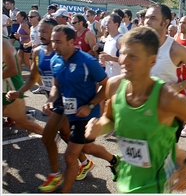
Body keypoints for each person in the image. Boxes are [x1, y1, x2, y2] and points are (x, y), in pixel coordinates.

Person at [84, 26, 186, 193]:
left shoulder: (167, 99)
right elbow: (111, 119)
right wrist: (98, 128)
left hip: (155, 186)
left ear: (152, 61)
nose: (123, 61)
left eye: (133, 57)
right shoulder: (114, 85)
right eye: (122, 53)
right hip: (126, 180)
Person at [5, 18, 89, 192]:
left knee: (51, 137)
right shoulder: (37, 52)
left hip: (68, 100)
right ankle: (86, 162)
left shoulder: (66, 53)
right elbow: (32, 78)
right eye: (39, 31)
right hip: (52, 100)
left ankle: (55, 175)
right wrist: (19, 92)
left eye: (45, 31)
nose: (40, 34)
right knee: (66, 134)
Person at [145, 4, 186, 193]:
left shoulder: (175, 49)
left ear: (166, 23)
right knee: (160, 152)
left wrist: (180, 86)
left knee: (158, 159)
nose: (146, 22)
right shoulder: (141, 43)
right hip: (145, 108)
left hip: (170, 111)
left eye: (152, 18)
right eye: (146, 17)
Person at [45, 25, 118, 193]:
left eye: (58, 42)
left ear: (71, 41)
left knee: (70, 156)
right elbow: (56, 86)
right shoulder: (56, 59)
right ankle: (114, 160)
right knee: (87, 148)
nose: (54, 45)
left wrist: (90, 105)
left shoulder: (87, 61)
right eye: (53, 41)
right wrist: (51, 100)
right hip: (65, 109)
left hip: (84, 115)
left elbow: (106, 85)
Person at [3, 35, 43, 135]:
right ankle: (26, 117)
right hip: (3, 86)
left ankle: (50, 136)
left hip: (11, 87)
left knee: (22, 123)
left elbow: (13, 69)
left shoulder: (3, 43)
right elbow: (19, 60)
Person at [97, 14, 123, 78]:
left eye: (109, 22)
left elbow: (127, 60)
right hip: (108, 76)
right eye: (106, 22)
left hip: (118, 78)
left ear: (116, 24)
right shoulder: (108, 37)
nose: (106, 24)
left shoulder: (121, 39)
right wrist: (103, 58)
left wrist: (111, 58)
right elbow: (108, 56)